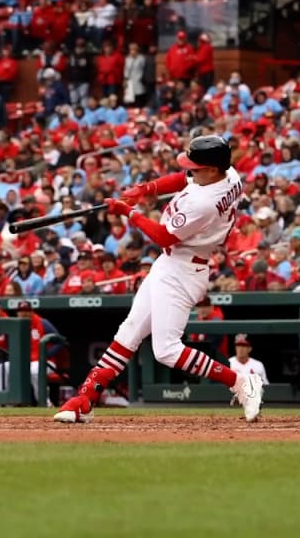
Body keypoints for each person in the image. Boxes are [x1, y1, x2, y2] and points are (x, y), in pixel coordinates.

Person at [54, 135, 264, 423]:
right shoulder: (227, 174)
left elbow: (163, 235)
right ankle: (86, 398)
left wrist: (129, 212)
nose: (191, 170)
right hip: (171, 263)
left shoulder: (204, 202)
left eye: (197, 166)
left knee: (166, 350)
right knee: (129, 332)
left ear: (213, 169)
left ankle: (241, 382)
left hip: (185, 270)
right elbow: (182, 178)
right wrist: (146, 188)